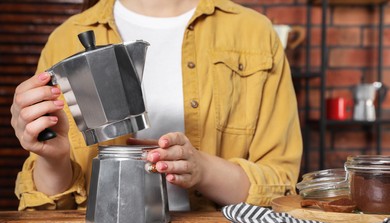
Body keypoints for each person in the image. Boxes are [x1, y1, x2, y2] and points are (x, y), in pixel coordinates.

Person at [10, 0, 302, 211]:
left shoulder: (254, 33)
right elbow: (49, 209)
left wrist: (202, 168)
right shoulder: (65, 37)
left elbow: (281, 187)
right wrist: (52, 158)